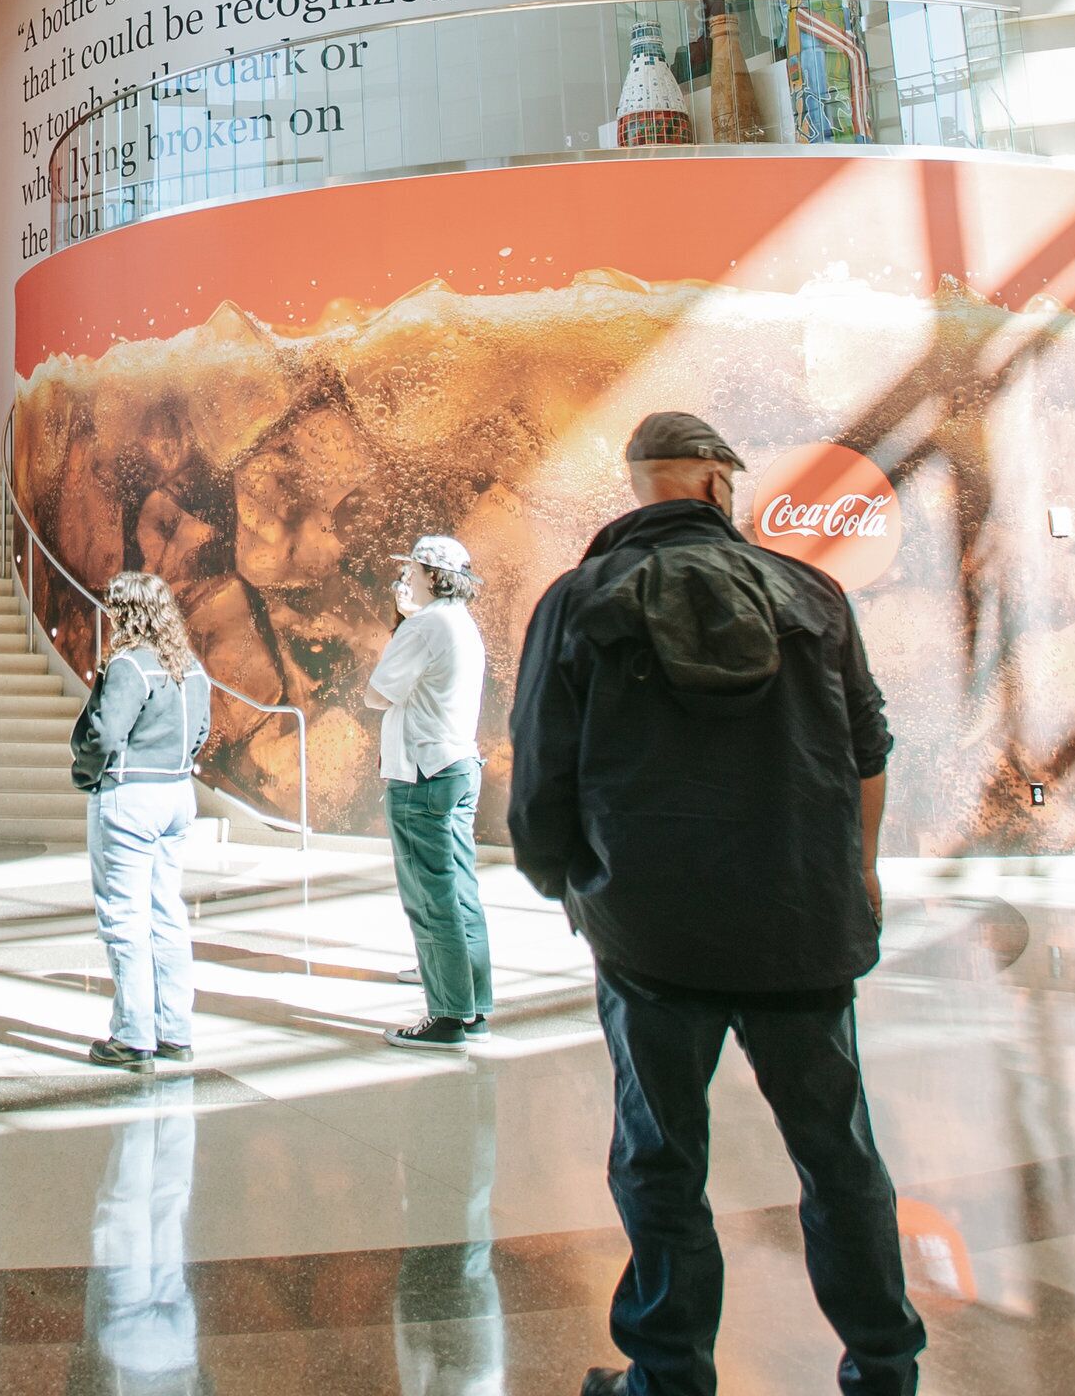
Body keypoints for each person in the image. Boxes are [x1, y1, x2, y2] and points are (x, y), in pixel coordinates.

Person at [507, 412, 922, 1396]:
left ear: (641, 485)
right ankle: (884, 1368)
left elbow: (538, 785)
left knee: (659, 1158)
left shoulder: (577, 602)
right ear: (713, 483)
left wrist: (575, 889)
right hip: (801, 923)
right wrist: (856, 872)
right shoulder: (814, 595)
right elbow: (868, 748)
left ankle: (670, 1375)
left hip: (652, 934)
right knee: (839, 1155)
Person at [77, 571, 211, 1070]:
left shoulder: (131, 666)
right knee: (167, 913)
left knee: (123, 916)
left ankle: (133, 1037)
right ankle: (174, 1030)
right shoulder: (190, 667)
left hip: (130, 797)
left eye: (114, 606)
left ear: (125, 612)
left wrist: (86, 774)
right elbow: (201, 731)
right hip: (177, 795)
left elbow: (106, 734)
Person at [369, 532, 492, 1050]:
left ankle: (446, 1016)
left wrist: (401, 623)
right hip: (459, 764)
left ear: (433, 576)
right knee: (461, 890)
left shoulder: (424, 626)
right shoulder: (462, 624)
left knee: (429, 895)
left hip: (423, 773)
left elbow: (377, 694)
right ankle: (474, 1006)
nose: (406, 578)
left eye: (413, 571)